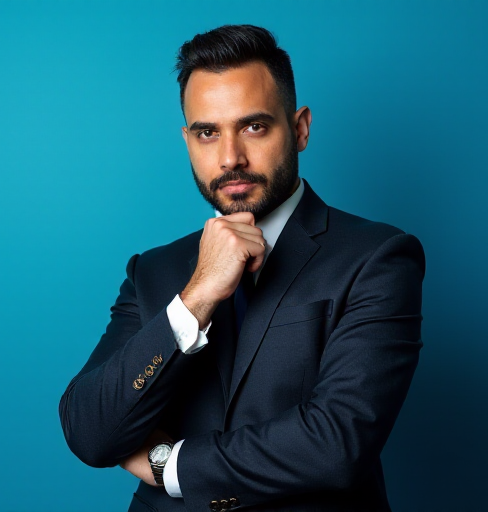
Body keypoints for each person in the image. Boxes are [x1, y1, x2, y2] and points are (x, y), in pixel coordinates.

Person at [59, 24, 425, 512]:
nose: (230, 158)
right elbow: (89, 431)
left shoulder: (377, 257)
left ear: (299, 129)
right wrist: (196, 299)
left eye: (253, 126)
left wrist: (172, 466)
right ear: (188, 139)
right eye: (208, 133)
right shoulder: (154, 271)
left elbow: (337, 444)